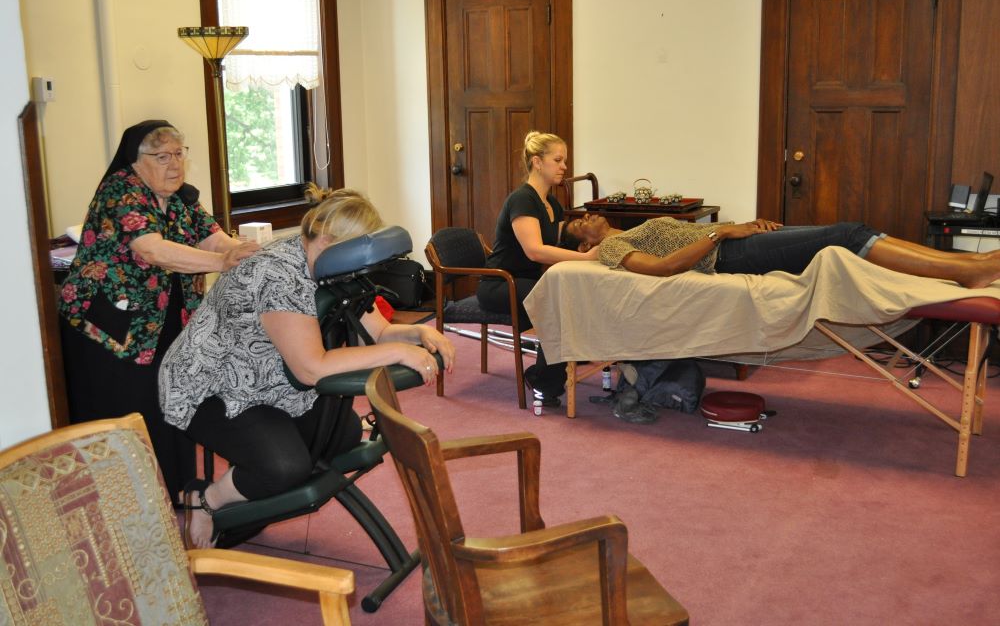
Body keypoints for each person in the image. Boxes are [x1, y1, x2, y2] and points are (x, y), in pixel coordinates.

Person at [159, 186, 456, 548]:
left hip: (270, 380)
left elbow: (378, 333)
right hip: (211, 385)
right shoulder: (277, 273)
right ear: (329, 239)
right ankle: (206, 499)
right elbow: (312, 369)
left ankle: (257, 493)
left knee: (342, 435)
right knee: (284, 467)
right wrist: (396, 354)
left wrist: (419, 333)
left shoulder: (337, 266)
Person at [59, 119, 259, 503]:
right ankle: (127, 503)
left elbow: (213, 237)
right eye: (162, 156)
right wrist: (222, 263)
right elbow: (152, 249)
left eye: (179, 154)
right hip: (110, 327)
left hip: (164, 321)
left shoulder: (182, 197)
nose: (174, 164)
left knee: (169, 399)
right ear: (135, 162)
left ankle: (171, 491)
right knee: (128, 411)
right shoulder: (122, 190)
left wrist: (241, 252)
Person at [476, 131, 598, 407]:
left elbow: (555, 243)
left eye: (564, 160)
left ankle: (562, 358)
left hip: (524, 281)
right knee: (555, 302)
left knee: (570, 294)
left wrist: (586, 239)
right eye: (558, 160)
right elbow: (535, 250)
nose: (564, 166)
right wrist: (588, 259)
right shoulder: (523, 199)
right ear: (537, 162)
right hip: (500, 284)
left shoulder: (551, 203)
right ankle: (543, 382)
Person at [560, 213, 1000, 288]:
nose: (585, 216)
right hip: (730, 258)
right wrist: (722, 235)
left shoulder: (629, 227)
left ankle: (971, 263)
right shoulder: (613, 246)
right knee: (845, 235)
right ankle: (967, 271)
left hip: (738, 243)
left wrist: (742, 227)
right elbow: (660, 269)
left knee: (854, 230)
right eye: (578, 224)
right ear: (585, 243)